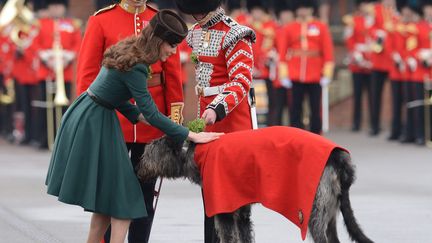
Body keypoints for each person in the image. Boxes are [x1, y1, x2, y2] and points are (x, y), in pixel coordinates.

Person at [45, 10, 222, 243]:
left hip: (92, 114)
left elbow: (113, 94)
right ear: (159, 41)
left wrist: (138, 116)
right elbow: (150, 111)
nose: (173, 51)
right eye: (171, 45)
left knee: (108, 199)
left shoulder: (131, 49)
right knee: (125, 195)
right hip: (96, 122)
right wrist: (190, 135)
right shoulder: (138, 65)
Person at [76, 1, 184, 242]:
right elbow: (88, 74)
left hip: (152, 121)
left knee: (146, 192)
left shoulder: (158, 18)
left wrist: (172, 118)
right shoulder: (101, 20)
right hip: (113, 120)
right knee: (106, 193)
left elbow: (173, 75)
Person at [174, 0, 256, 242]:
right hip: (207, 122)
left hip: (232, 123)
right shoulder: (196, 33)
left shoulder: (235, 34)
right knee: (210, 194)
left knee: (236, 199)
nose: (196, 16)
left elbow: (241, 81)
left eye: (198, 11)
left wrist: (217, 108)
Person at [278, 0, 334, 134]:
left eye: (305, 8)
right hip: (295, 74)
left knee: (315, 107)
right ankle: (297, 135)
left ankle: (316, 134)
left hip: (315, 74)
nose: (303, 11)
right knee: (295, 108)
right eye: (300, 8)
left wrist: (327, 74)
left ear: (311, 9)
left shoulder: (320, 26)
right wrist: (284, 75)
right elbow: (283, 52)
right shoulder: (289, 28)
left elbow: (328, 52)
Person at [343, 0, 373, 132]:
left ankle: (374, 123)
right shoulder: (353, 21)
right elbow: (349, 40)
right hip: (358, 64)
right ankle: (356, 122)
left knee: (373, 96)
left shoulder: (375, 21)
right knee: (358, 95)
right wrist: (357, 55)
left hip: (372, 63)